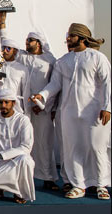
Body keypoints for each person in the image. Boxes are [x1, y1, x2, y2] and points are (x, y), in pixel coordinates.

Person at [30, 23, 111, 200]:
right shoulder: (63, 61)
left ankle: (100, 185)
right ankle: (78, 185)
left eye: (72, 36)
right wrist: (42, 96)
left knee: (96, 147)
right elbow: (54, 84)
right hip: (68, 112)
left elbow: (107, 83)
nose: (68, 39)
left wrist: (107, 107)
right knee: (72, 148)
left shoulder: (97, 57)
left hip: (94, 112)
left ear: (82, 38)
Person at [0, 11, 59, 190]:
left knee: (44, 143)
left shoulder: (50, 60)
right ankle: (21, 177)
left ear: (39, 43)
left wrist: (46, 105)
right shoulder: (22, 57)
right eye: (26, 41)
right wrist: (3, 23)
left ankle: (48, 178)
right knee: (21, 143)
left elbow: (54, 85)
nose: (27, 43)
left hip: (42, 108)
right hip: (23, 108)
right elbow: (5, 44)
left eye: (30, 40)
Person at [0, 88, 35, 204]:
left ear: (13, 103)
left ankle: (19, 192)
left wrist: (0, 155)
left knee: (26, 160)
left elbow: (26, 147)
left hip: (16, 162)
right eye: (0, 102)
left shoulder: (23, 120)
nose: (3, 105)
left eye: (6, 102)